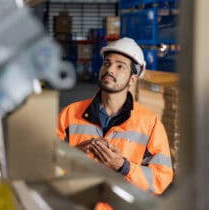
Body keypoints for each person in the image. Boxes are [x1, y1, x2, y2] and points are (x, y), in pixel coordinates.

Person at [57, 37, 174, 207]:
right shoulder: (70, 114)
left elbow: (161, 178)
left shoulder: (150, 124)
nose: (110, 69)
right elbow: (45, 163)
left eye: (120, 66)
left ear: (133, 79)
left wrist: (124, 166)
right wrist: (73, 156)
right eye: (106, 63)